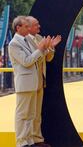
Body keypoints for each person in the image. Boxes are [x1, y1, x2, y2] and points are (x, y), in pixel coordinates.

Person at [8, 16, 51, 147]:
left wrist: (45, 48)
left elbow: (37, 58)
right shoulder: (14, 44)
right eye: (26, 26)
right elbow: (27, 61)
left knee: (31, 114)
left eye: (28, 26)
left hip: (33, 83)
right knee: (22, 115)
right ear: (18, 28)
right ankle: (21, 142)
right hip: (24, 84)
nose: (28, 28)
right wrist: (40, 49)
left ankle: (29, 140)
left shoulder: (27, 40)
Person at [24, 16, 61, 147]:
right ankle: (26, 140)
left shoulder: (40, 38)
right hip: (29, 81)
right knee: (27, 113)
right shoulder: (24, 40)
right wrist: (41, 49)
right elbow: (29, 59)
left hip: (40, 79)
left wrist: (51, 47)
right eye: (36, 25)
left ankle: (37, 138)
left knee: (36, 112)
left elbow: (48, 58)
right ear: (28, 26)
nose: (39, 27)